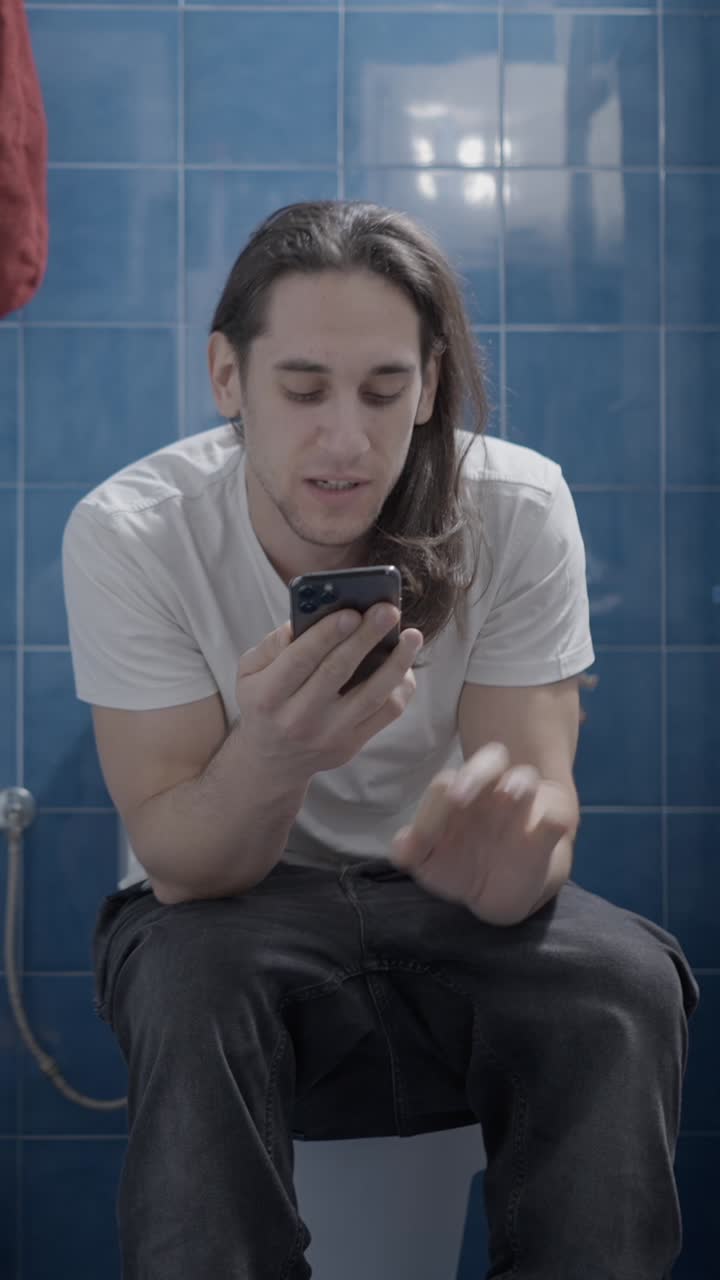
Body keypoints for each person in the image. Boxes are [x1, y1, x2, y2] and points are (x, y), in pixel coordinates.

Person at [62, 200, 699, 1280]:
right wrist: (274, 752)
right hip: (234, 905)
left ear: (432, 384)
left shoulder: (518, 506)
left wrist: (514, 857)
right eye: (304, 389)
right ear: (228, 377)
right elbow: (181, 863)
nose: (347, 441)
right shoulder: (134, 533)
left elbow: (539, 809)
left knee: (623, 982)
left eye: (384, 389)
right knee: (185, 983)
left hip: (441, 899)